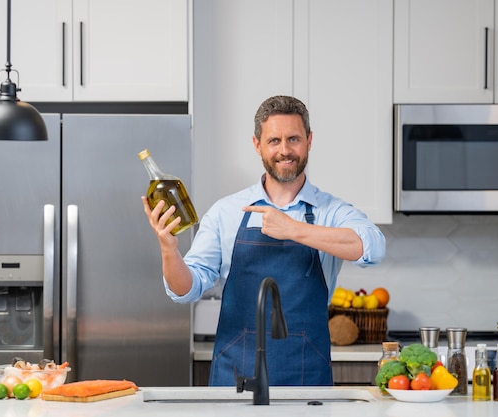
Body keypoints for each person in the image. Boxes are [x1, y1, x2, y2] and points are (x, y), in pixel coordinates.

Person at [142, 95, 385, 386]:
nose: (284, 150)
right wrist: (169, 251)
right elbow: (186, 289)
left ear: (309, 140)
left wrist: (293, 228)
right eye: (274, 141)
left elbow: (373, 247)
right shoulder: (226, 212)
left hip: (307, 383)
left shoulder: (330, 211)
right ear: (257, 145)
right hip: (234, 384)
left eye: (294, 139)